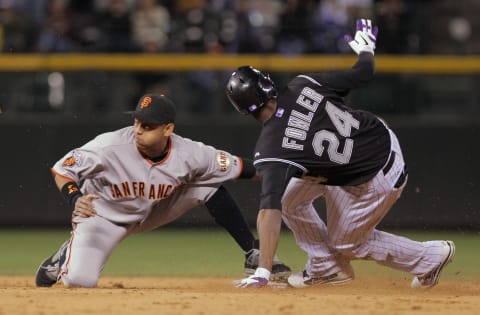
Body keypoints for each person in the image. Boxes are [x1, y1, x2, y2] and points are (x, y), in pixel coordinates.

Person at [227, 18, 455, 288]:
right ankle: (325, 268)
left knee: (346, 242)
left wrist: (263, 270)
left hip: (373, 179)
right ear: (268, 84)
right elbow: (363, 73)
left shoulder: (271, 149)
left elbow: (268, 209)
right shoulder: (305, 84)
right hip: (376, 139)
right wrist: (366, 49)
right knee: (290, 200)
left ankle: (430, 258)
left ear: (242, 111)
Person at [35, 93, 290, 288]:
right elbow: (62, 169)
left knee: (207, 183)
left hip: (150, 211)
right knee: (80, 281)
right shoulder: (108, 146)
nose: (137, 130)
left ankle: (251, 251)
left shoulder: (190, 153)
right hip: (101, 217)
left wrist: (293, 170)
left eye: (147, 126)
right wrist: (75, 197)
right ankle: (67, 252)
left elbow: (245, 168)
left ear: (168, 129)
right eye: (136, 122)